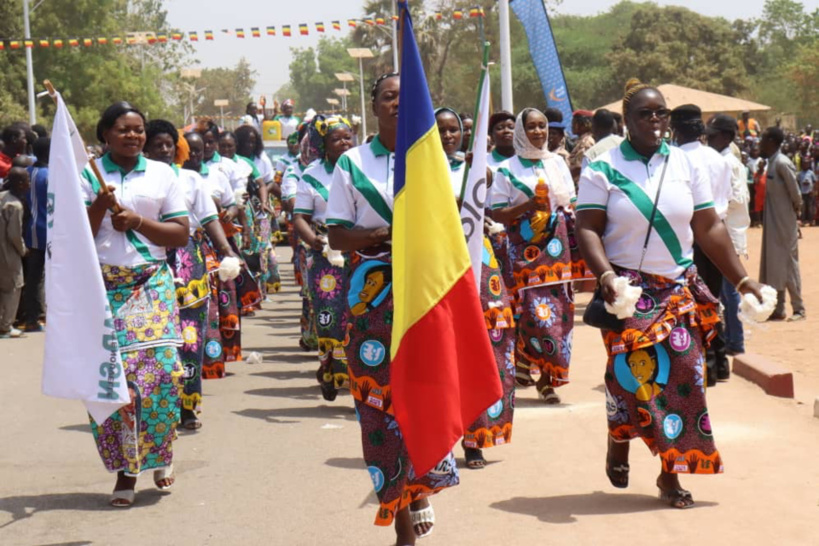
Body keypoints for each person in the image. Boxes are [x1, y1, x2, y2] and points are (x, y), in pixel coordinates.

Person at [576, 79, 764, 510]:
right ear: (628, 121)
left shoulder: (684, 163)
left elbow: (709, 228)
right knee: (633, 377)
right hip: (626, 291)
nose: (657, 120)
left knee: (684, 379)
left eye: (662, 112)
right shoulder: (602, 168)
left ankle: (670, 472)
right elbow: (587, 227)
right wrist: (606, 278)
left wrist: (742, 280)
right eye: (647, 113)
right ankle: (618, 435)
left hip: (678, 288)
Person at [326, 73, 455, 545]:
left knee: (424, 395)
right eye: (388, 96)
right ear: (375, 106)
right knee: (380, 405)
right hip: (371, 297)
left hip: (426, 290)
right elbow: (337, 234)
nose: (398, 103)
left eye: (407, 96)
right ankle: (400, 514)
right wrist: (387, 234)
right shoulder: (351, 163)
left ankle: (420, 488)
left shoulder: (436, 158)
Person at [81, 102, 189, 507]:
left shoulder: (163, 174)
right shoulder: (85, 175)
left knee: (161, 374)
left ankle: (161, 452)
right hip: (101, 285)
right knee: (117, 382)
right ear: (105, 133)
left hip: (150, 282)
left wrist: (138, 221)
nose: (133, 136)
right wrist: (99, 203)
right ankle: (127, 471)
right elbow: (74, 236)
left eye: (139, 129)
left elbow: (179, 234)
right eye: (124, 129)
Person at [436, 108, 516, 470]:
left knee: (488, 347)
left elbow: (493, 210)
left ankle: (476, 440)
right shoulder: (417, 170)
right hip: (438, 265)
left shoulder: (478, 169)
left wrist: (477, 176)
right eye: (441, 130)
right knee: (443, 353)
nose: (449, 136)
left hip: (480, 264)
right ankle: (439, 438)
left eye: (454, 130)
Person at [491, 107, 585, 404]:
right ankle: (525, 363)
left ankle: (548, 379)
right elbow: (498, 213)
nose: (538, 132)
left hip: (559, 252)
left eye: (542, 126)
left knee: (560, 314)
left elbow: (571, 203)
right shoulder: (507, 169)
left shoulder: (557, 163)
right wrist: (529, 205)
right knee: (531, 312)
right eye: (531, 126)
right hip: (523, 251)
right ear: (522, 130)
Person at [670, 104, 733, 385]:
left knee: (692, 302)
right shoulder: (718, 159)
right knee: (714, 299)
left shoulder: (674, 159)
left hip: (690, 237)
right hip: (718, 234)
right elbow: (726, 199)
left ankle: (703, 364)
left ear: (675, 130)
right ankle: (719, 362)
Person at [292, 116, 354, 401]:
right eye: (336, 139)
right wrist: (313, 241)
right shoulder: (311, 175)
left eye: (348, 137)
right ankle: (329, 370)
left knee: (358, 314)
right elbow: (300, 218)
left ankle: (358, 374)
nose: (344, 143)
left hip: (359, 249)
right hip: (324, 253)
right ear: (323, 145)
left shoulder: (361, 167)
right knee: (329, 318)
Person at [706, 114, 751, 357]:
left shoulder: (728, 163)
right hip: (727, 231)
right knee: (726, 291)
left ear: (725, 137)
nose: (708, 140)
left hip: (728, 232)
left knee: (730, 290)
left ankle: (736, 341)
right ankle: (732, 338)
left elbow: (735, 199)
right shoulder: (724, 160)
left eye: (712, 136)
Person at [759, 126, 805, 321]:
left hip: (784, 222)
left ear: (771, 141)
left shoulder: (782, 163)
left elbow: (796, 194)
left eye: (763, 140)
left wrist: (796, 214)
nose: (760, 144)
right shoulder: (770, 163)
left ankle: (799, 308)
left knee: (787, 263)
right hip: (772, 221)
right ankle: (778, 308)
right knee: (773, 263)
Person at [21, 138, 49, 332]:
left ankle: (32, 316)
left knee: (33, 277)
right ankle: (37, 316)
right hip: (46, 231)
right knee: (42, 276)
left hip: (29, 231)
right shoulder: (49, 175)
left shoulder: (26, 173)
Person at [0, 167, 29, 338]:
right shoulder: (15, 206)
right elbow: (15, 235)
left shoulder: (2, 197)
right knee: (13, 288)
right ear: (19, 183)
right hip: (8, 253)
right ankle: (6, 326)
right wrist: (23, 250)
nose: (28, 183)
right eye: (26, 179)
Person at [568, 110, 595, 184]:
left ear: (584, 125)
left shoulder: (586, 142)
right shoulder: (580, 141)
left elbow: (580, 166)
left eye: (574, 123)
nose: (572, 126)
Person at [798, 156, 816, 226]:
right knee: (803, 207)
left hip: (810, 192)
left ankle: (811, 221)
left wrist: (813, 190)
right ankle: (803, 221)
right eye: (804, 163)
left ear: (808, 164)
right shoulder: (800, 173)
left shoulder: (811, 173)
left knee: (810, 207)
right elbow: (798, 182)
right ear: (802, 164)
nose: (805, 165)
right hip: (802, 192)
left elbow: (814, 182)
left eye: (807, 163)